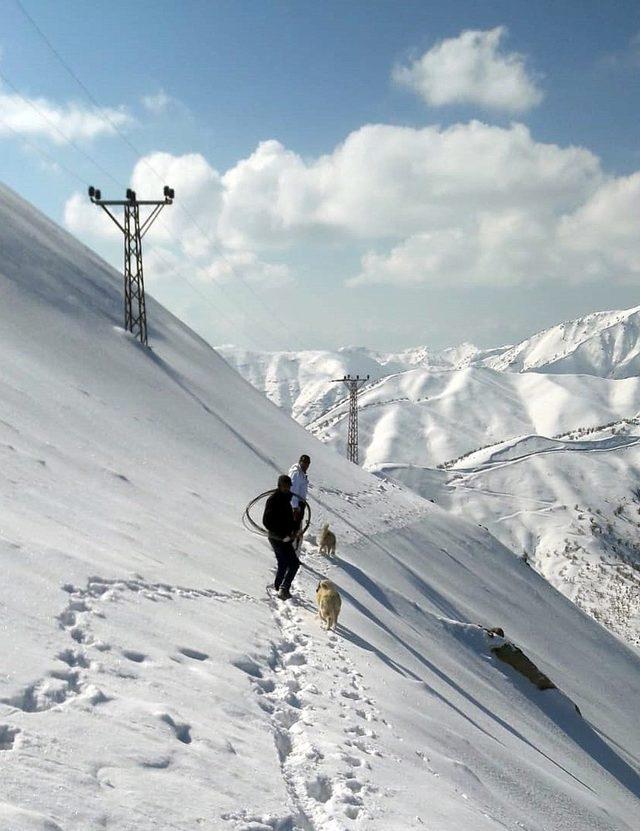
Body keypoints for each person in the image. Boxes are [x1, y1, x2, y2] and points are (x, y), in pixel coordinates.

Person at [262, 474, 300, 601]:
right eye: (285, 486)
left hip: (286, 538)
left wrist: (296, 523)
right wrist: (283, 533)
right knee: (286, 563)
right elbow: (266, 521)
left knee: (292, 564)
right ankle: (282, 588)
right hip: (276, 538)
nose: (287, 489)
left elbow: (289, 521)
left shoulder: (286, 501)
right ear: (279, 486)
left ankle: (280, 587)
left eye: (288, 487)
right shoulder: (273, 500)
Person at [288, 454, 310, 538]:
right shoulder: (296, 473)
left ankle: (293, 540)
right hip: (296, 505)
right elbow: (293, 490)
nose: (306, 465)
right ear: (300, 462)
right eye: (304, 462)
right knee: (293, 525)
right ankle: (290, 540)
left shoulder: (302, 473)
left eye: (307, 463)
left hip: (300, 503)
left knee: (296, 525)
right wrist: (295, 507)